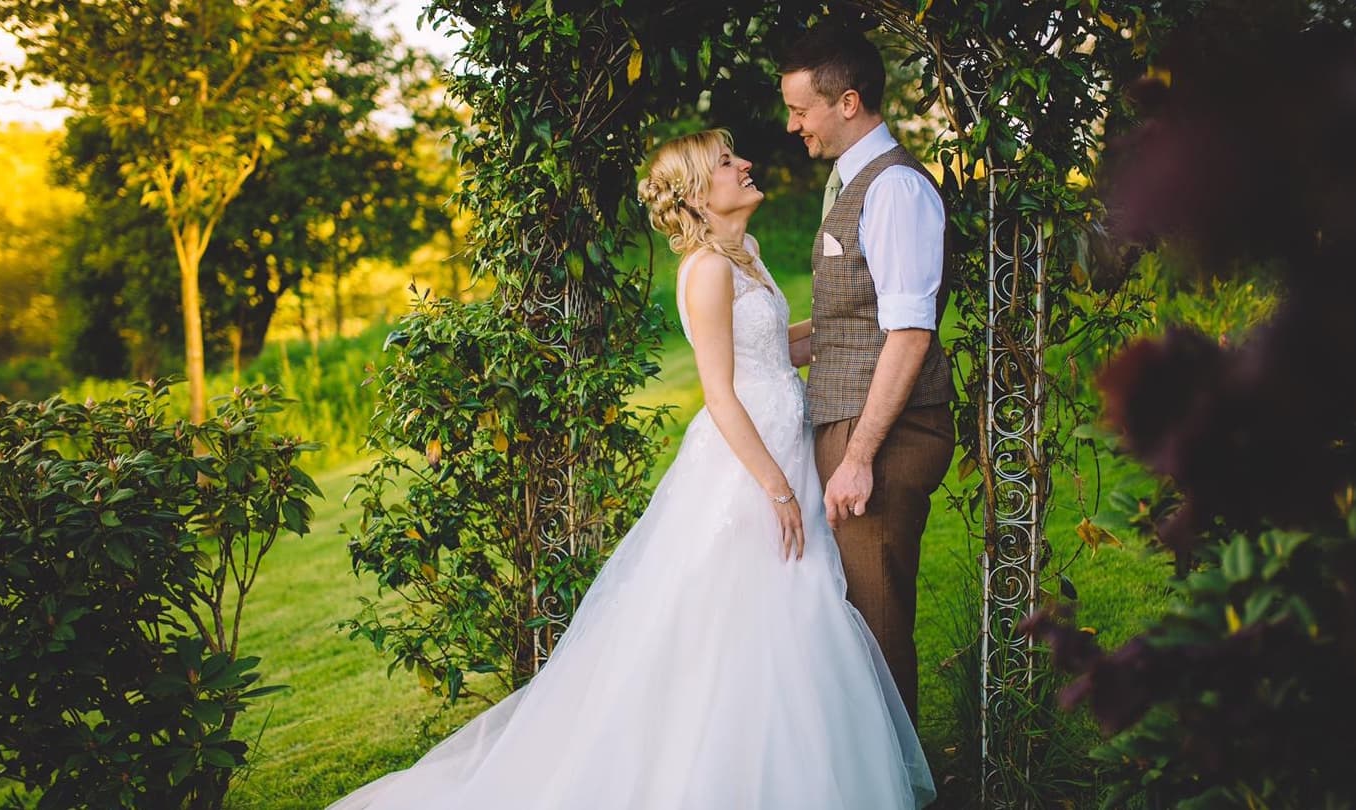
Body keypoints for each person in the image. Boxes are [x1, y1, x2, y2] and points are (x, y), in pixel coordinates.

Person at [328, 129, 936, 809]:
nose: (746, 164)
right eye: (729, 162)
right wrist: (777, 488)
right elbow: (719, 391)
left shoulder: (747, 254)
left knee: (795, 606)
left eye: (739, 155)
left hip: (783, 434)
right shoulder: (705, 270)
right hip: (748, 460)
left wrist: (864, 326)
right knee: (742, 612)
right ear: (701, 194)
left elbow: (771, 347)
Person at [779, 27, 958, 724]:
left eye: (802, 110)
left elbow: (909, 332)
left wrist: (859, 458)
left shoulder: (896, 192)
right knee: (851, 621)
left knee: (877, 628)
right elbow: (854, 320)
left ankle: (897, 793)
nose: (793, 124)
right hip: (851, 420)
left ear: (847, 102)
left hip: (882, 434)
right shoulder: (852, 182)